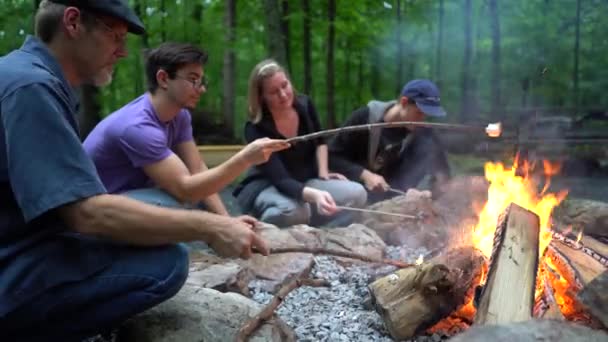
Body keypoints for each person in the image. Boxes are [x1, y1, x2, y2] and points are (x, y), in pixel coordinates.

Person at [0, 1, 286, 340]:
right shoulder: (32, 88)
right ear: (73, 22)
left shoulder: (27, 76)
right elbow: (86, 214)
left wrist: (226, 222)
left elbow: (195, 173)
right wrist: (212, 227)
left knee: (169, 218)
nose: (122, 51)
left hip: (29, 236)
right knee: (166, 264)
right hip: (15, 258)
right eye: (115, 36)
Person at [83, 42, 284, 222]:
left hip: (130, 197)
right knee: (175, 204)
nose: (202, 89)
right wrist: (245, 158)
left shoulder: (180, 116)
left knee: (186, 202)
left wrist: (228, 221)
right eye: (193, 79)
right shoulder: (137, 127)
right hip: (94, 211)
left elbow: (197, 170)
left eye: (201, 81)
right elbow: (186, 189)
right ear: (163, 79)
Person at [233, 59, 367, 227]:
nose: (283, 95)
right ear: (262, 97)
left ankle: (320, 233)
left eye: (284, 85)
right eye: (274, 92)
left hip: (306, 180)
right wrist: (316, 195)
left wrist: (323, 173)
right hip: (269, 185)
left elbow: (320, 142)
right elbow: (281, 180)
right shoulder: (255, 128)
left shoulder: (304, 105)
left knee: (358, 193)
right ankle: (260, 231)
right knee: (295, 211)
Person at [328, 79, 451, 202]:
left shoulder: (425, 134)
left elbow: (442, 176)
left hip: (397, 203)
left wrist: (427, 192)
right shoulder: (365, 118)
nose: (422, 120)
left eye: (426, 115)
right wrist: (365, 174)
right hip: (355, 198)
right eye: (419, 113)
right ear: (403, 102)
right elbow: (332, 157)